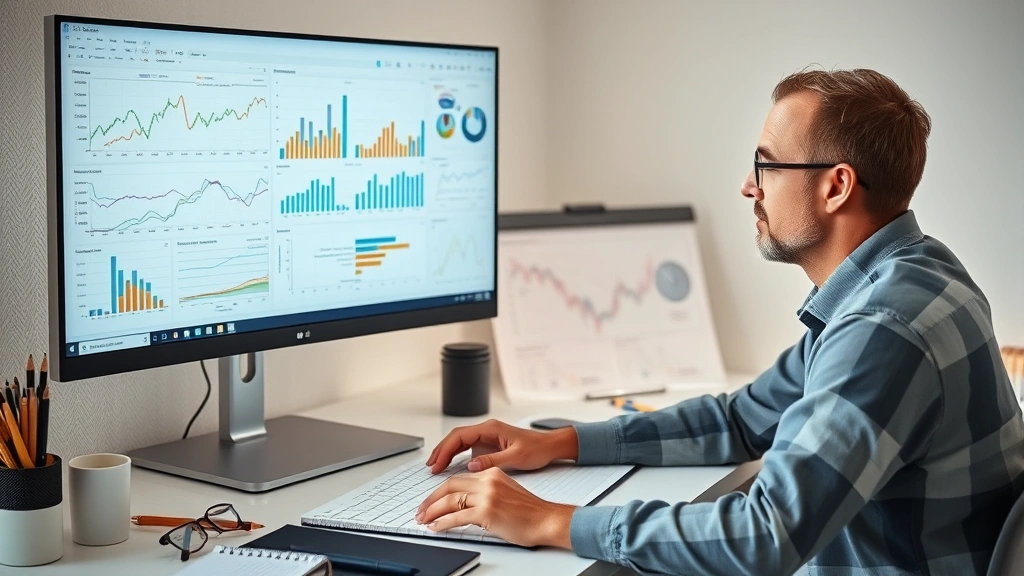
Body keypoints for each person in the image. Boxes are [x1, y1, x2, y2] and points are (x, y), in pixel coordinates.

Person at [414, 68, 1024, 575]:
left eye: (767, 166)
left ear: (836, 186)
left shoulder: (883, 327)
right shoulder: (913, 273)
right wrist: (565, 442)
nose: (747, 187)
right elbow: (741, 420)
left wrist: (550, 520)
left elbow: (767, 534)